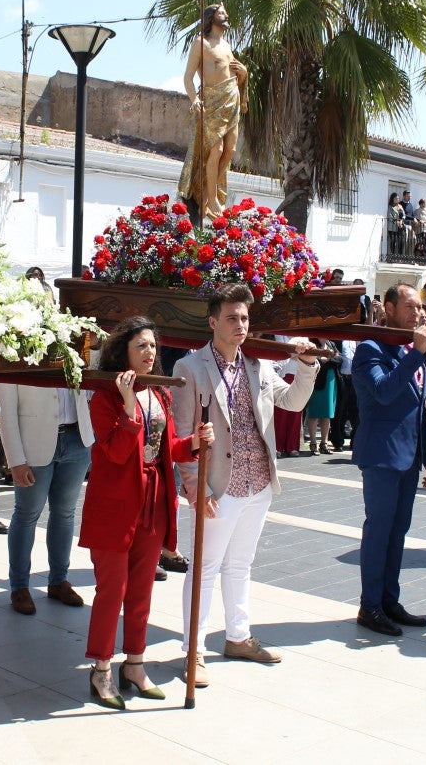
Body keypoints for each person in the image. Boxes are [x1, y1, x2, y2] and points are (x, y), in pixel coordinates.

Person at [172, 284, 318, 684]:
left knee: (241, 564)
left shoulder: (258, 365)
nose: (240, 325)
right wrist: (197, 490)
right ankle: (193, 650)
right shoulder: (190, 367)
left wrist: (306, 365)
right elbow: (182, 435)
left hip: (258, 482)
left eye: (245, 318)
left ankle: (238, 636)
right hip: (218, 486)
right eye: (232, 318)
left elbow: (292, 401)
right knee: (204, 567)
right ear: (213, 322)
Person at [81, 317, 213, 709]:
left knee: (141, 589)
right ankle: (101, 669)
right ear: (122, 350)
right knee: (112, 590)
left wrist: (194, 442)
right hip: (115, 504)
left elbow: (167, 447)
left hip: (153, 500)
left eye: (153, 345)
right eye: (141, 345)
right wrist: (127, 405)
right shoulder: (104, 397)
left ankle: (135, 664)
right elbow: (117, 452)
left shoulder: (159, 392)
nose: (149, 352)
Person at [351, 284, 426, 636]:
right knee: (379, 531)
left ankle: (389, 600)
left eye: (420, 308)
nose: (418, 314)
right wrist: (416, 353)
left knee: (398, 531)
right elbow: (384, 392)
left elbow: (420, 411)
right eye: (409, 307)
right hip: (382, 455)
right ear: (388, 309)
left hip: (409, 457)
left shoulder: (410, 351)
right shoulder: (370, 349)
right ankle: (370, 605)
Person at [0, 383, 95, 615]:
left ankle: (59, 580)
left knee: (65, 513)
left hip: (77, 439)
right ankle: (19, 586)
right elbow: (5, 411)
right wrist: (15, 460)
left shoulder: (82, 353)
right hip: (33, 442)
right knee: (27, 514)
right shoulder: (16, 359)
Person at [179, 4, 249, 220]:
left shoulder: (227, 46)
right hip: (212, 101)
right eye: (221, 13)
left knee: (230, 149)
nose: (226, 15)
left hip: (231, 100)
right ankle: (212, 198)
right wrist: (194, 98)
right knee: (216, 150)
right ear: (211, 18)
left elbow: (235, 75)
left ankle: (207, 190)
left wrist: (244, 73)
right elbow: (188, 76)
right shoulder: (201, 43)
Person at [303, 338, 341, 454]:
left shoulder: (331, 343)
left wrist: (327, 359)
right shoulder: (312, 343)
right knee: (314, 413)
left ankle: (324, 443)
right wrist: (330, 359)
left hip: (331, 381)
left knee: (327, 414)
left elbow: (340, 359)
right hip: (317, 382)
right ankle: (313, 443)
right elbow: (316, 361)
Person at [386, 193, 406, 258]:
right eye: (396, 198)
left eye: (398, 198)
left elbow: (404, 215)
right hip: (392, 227)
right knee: (393, 241)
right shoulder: (390, 207)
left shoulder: (400, 206)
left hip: (400, 226)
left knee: (401, 241)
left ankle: (400, 255)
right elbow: (389, 216)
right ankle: (393, 255)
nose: (397, 199)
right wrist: (396, 222)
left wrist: (401, 221)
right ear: (393, 199)